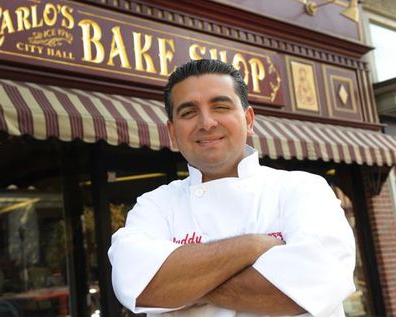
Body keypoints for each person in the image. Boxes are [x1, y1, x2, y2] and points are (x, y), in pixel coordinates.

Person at [108, 59, 356, 317]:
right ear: (172, 131)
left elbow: (314, 285)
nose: (206, 122)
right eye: (188, 112)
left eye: (221, 106)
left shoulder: (303, 190)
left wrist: (182, 286)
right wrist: (253, 246)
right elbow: (139, 287)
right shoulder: (154, 205)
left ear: (248, 120)